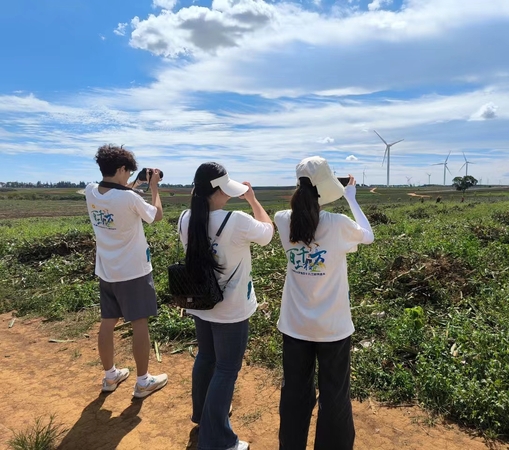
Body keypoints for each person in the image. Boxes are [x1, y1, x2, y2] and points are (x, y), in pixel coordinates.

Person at [274, 156, 374, 450]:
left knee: (294, 394)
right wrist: (352, 199)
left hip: (294, 327)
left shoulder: (282, 220)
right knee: (335, 396)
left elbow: (301, 216)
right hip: (333, 328)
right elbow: (368, 236)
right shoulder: (338, 224)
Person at [178, 162, 273, 450]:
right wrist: (253, 200)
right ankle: (218, 440)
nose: (230, 196)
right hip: (231, 309)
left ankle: (202, 414)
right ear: (217, 191)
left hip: (200, 302)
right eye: (227, 191)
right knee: (227, 368)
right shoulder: (238, 220)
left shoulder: (185, 217)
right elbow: (268, 234)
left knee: (206, 357)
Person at [85, 144, 168, 397]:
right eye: (128, 172)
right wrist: (153, 187)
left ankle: (110, 377)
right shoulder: (130, 198)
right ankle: (143, 381)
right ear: (122, 168)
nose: (129, 175)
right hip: (133, 272)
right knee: (139, 323)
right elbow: (157, 216)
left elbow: (116, 194)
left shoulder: (91, 191)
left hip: (107, 271)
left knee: (107, 322)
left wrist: (135, 182)